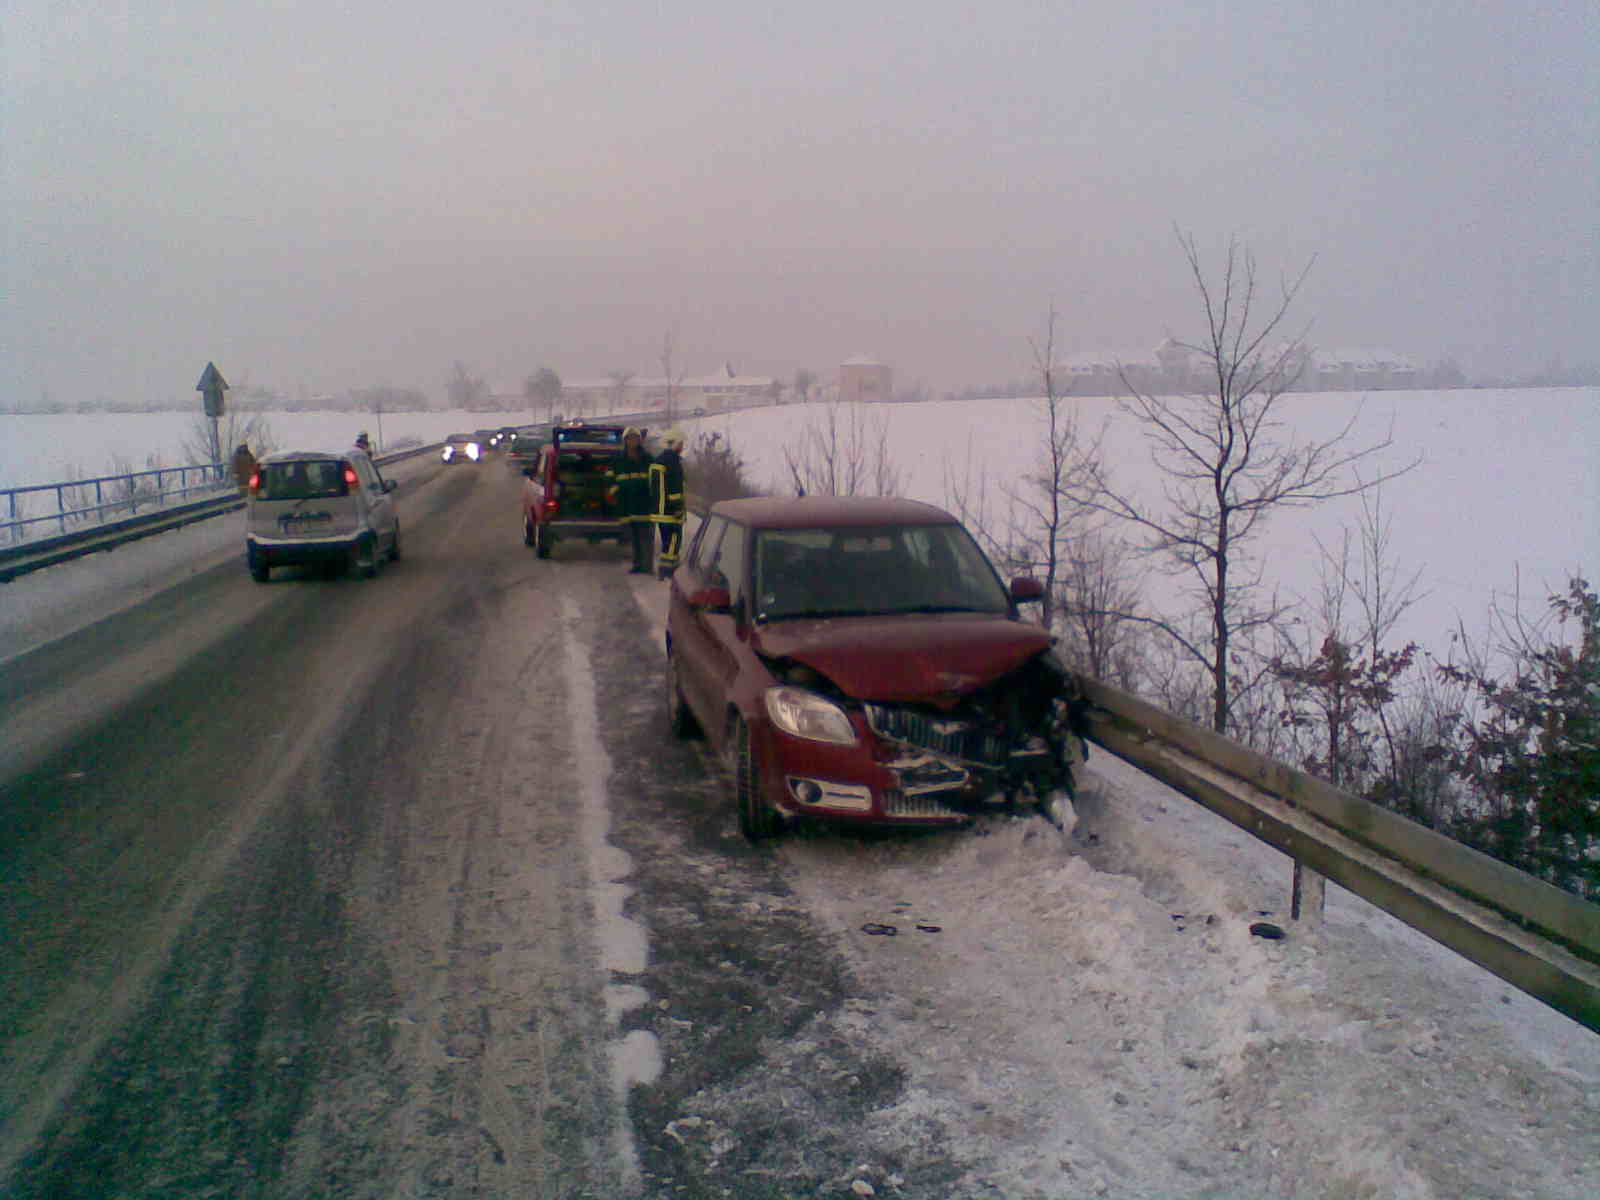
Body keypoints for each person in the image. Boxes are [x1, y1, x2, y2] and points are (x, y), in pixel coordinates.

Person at [607, 426, 655, 574]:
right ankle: (637, 565)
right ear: (625, 441)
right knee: (634, 538)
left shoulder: (648, 459)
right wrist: (616, 494)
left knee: (645, 538)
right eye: (629, 438)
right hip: (627, 505)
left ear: (640, 440)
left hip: (644, 505)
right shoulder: (618, 460)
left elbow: (655, 480)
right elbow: (610, 479)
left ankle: (646, 566)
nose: (632, 441)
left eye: (635, 438)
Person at [650, 428, 687, 578]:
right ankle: (668, 571)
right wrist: (678, 508)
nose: (682, 446)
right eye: (681, 443)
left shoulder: (658, 460)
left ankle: (665, 568)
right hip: (671, 511)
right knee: (673, 541)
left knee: (666, 541)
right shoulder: (673, 462)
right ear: (675, 444)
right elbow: (675, 487)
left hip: (659, 512)